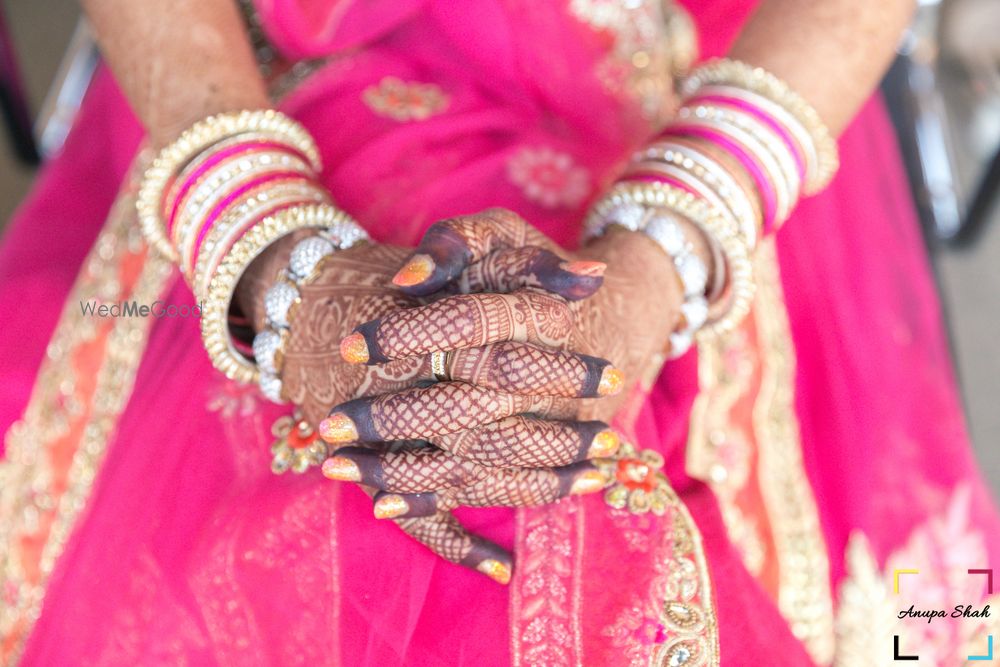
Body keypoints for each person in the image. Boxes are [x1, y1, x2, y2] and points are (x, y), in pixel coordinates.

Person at [2, 0, 995, 664]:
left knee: (575, 496)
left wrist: (662, 257)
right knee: (361, 502)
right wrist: (268, 252)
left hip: (709, 68)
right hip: (244, 69)